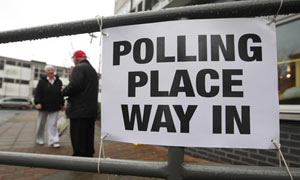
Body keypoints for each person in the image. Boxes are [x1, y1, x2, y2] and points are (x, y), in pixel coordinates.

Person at [62, 50, 99, 157]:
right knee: (88, 135)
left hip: (79, 110)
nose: (73, 61)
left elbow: (75, 86)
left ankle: (79, 158)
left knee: (78, 136)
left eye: (73, 58)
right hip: (90, 109)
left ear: (77, 58)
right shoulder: (92, 70)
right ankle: (88, 155)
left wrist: (63, 91)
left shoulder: (78, 68)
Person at [34, 65, 64, 148]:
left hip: (55, 106)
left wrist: (62, 104)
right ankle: (39, 139)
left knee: (53, 124)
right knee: (41, 124)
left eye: (51, 70)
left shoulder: (59, 81)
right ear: (46, 72)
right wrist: (37, 103)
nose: (50, 71)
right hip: (43, 106)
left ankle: (54, 141)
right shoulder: (42, 81)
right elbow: (37, 93)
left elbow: (61, 94)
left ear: (54, 71)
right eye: (48, 70)